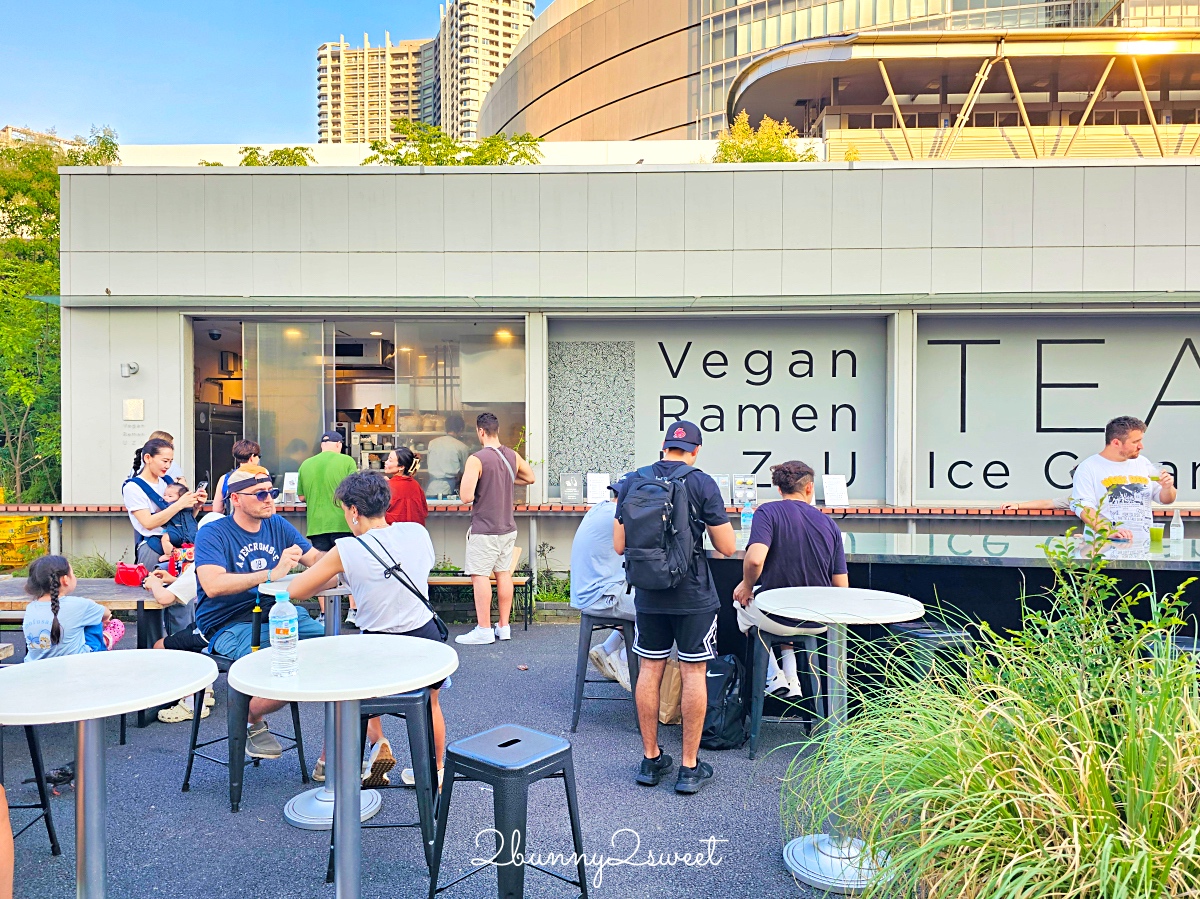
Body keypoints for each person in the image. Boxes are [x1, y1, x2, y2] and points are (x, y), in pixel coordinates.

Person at [288, 470, 446, 788]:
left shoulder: (346, 550)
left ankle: (371, 749)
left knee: (357, 694)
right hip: (425, 639)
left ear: (354, 511)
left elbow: (297, 589)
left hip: (378, 649)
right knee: (430, 703)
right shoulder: (417, 533)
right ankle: (436, 771)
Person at [613, 420, 736, 795]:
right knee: (693, 673)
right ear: (695, 451)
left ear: (663, 447)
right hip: (693, 595)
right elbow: (728, 547)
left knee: (649, 670)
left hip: (648, 593)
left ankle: (650, 760)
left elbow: (619, 546)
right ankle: (688, 767)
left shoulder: (634, 480)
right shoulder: (701, 482)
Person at [194, 466, 326, 759]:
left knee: (334, 650)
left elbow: (315, 559)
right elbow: (212, 585)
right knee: (287, 661)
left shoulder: (277, 524)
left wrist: (348, 558)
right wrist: (271, 573)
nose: (270, 500)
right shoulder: (214, 532)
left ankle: (335, 758)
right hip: (227, 624)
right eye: (261, 494)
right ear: (236, 499)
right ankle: (249, 716)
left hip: (280, 613)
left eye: (273, 493)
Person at [732, 460, 847, 698]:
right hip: (818, 620)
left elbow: (754, 560)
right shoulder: (829, 524)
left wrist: (746, 585)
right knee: (782, 606)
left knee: (740, 601)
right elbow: (841, 587)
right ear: (809, 488)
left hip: (778, 615)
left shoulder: (768, 512)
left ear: (779, 489)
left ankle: (773, 674)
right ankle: (791, 676)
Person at [455, 412, 536, 645]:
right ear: (496, 430)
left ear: (480, 431)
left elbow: (465, 497)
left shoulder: (476, 459)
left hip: (484, 528)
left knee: (480, 576)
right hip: (507, 528)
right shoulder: (512, 455)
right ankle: (504, 626)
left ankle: (483, 629)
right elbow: (530, 478)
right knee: (503, 575)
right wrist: (505, 481)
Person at [142, 512, 224, 723]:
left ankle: (190, 702)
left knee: (161, 645)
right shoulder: (235, 557)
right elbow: (190, 584)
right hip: (236, 626)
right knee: (188, 635)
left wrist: (155, 584)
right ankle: (205, 691)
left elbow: (165, 598)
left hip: (211, 631)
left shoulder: (203, 565)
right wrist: (175, 579)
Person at [122, 437, 205, 633]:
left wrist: (195, 507)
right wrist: (179, 504)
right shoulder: (133, 487)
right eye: (164, 461)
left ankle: (182, 649)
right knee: (152, 608)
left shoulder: (168, 482)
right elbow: (148, 522)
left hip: (179, 550)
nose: (168, 466)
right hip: (153, 548)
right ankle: (152, 652)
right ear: (148, 458)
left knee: (181, 600)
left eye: (171, 461)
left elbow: (181, 520)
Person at [569, 481, 634, 690]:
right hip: (601, 595)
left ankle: (607, 649)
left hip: (591, 592)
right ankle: (623, 660)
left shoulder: (600, 509)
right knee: (658, 609)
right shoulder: (618, 517)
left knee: (641, 599)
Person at [1071, 415, 1177, 543]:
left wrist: (1167, 487)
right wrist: (1109, 531)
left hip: (1141, 547)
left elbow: (1165, 499)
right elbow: (1084, 508)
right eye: (1135, 442)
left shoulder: (1143, 463)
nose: (1141, 446)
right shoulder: (1088, 467)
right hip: (1104, 547)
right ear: (1116, 442)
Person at [297, 431, 358, 624]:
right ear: (339, 445)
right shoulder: (347, 461)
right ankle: (354, 612)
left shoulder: (306, 464)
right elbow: (355, 491)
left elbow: (301, 497)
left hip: (317, 524)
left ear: (322, 445)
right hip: (344, 522)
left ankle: (324, 615)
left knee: (321, 568)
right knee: (349, 567)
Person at [22, 555, 125, 660]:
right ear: (65, 579)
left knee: (84, 619)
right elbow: (106, 613)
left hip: (35, 667)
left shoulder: (31, 608)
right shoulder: (80, 604)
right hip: (77, 666)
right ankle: (103, 642)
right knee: (107, 622)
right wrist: (94, 608)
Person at [425, 413, 471, 499]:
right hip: (449, 491)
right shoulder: (462, 447)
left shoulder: (432, 443)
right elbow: (464, 471)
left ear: (446, 427)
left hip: (430, 488)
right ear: (461, 429)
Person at [212, 439, 262, 515]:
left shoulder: (224, 478)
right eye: (259, 456)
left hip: (232, 524)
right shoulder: (261, 476)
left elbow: (217, 510)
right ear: (252, 457)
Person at [384, 447, 428, 525]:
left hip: (393, 533)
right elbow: (424, 512)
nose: (386, 462)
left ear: (401, 467)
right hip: (415, 532)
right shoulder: (415, 485)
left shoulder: (387, 486)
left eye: (390, 460)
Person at [157, 482, 199, 560]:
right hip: (184, 532)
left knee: (165, 538)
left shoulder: (174, 505)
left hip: (182, 532)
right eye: (164, 495)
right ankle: (170, 554)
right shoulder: (187, 507)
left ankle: (169, 554)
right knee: (165, 538)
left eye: (170, 496)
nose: (165, 498)